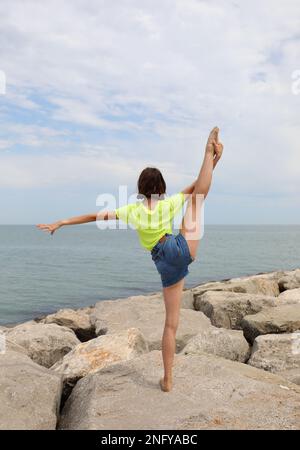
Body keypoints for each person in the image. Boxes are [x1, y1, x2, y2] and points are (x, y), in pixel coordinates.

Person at [37, 127, 223, 392]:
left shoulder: (132, 210)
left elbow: (93, 216)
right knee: (197, 201)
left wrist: (62, 222)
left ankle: (168, 379)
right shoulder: (168, 203)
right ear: (161, 188)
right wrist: (214, 160)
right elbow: (198, 186)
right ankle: (207, 152)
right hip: (183, 250)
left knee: (171, 324)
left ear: (140, 189)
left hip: (165, 262)